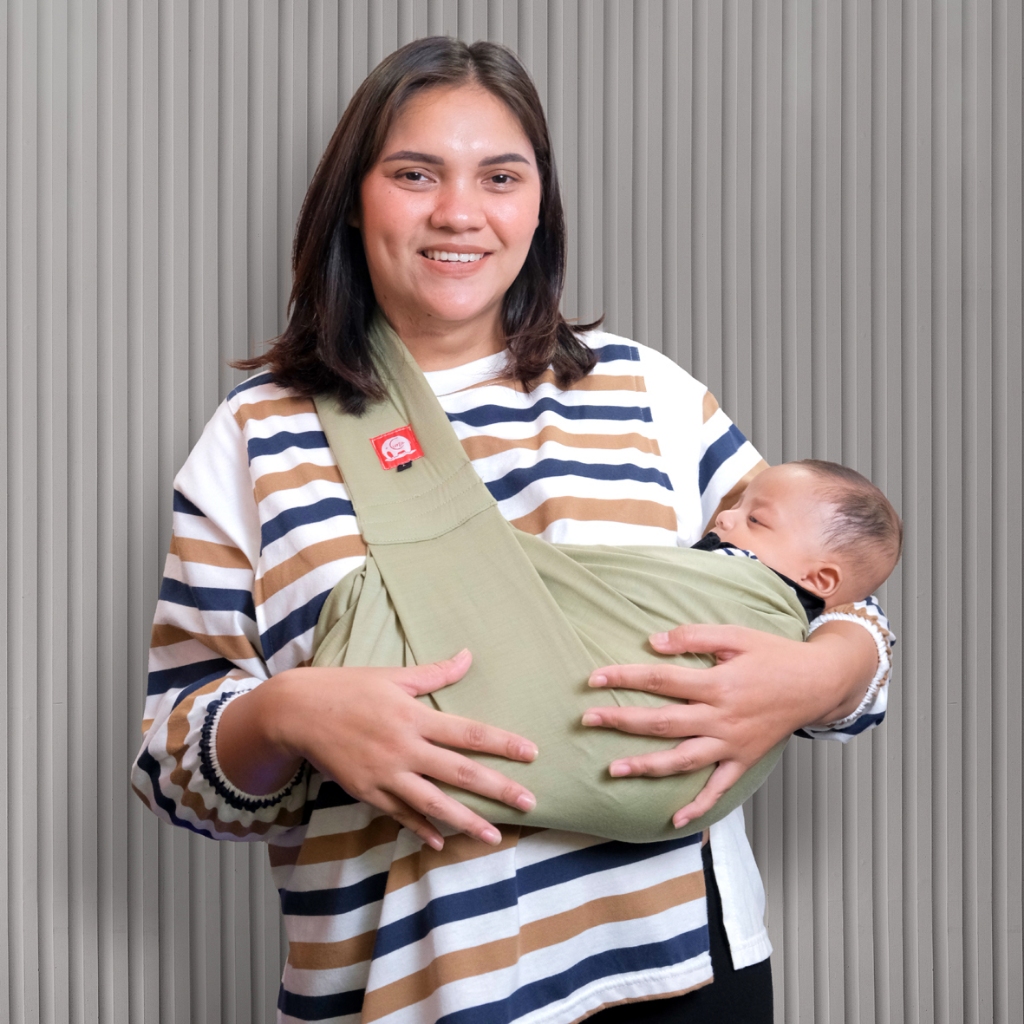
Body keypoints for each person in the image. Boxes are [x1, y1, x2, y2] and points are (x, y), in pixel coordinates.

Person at [131, 38, 894, 1023]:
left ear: (539, 206)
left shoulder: (645, 392)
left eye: (500, 177)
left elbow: (833, 594)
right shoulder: (257, 437)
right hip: (418, 983)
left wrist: (818, 677)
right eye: (415, 174)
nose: (460, 212)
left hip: (679, 971)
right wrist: (289, 715)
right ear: (353, 199)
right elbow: (172, 764)